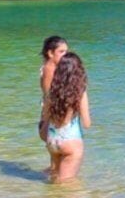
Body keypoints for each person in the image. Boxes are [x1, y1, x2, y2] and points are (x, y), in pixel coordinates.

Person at [39, 49, 90, 182]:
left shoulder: (51, 93)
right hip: (71, 143)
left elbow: (45, 119)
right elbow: (87, 123)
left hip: (52, 142)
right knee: (66, 186)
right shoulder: (80, 93)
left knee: (54, 180)